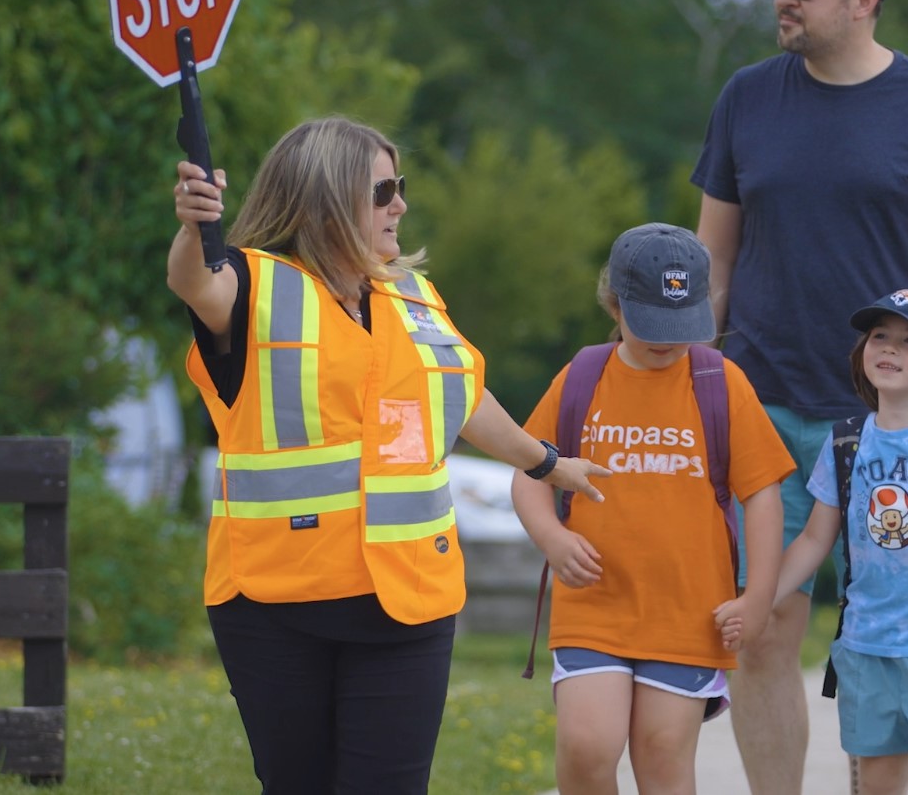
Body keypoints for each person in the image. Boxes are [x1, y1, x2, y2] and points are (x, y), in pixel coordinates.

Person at [166, 116, 611, 795]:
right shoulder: (251, 285)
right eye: (382, 190)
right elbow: (196, 283)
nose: (400, 203)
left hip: (409, 599)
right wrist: (197, 226)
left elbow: (463, 398)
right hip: (275, 603)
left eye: (399, 186)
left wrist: (546, 463)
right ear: (326, 198)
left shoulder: (414, 294)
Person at [689, 0, 908, 788]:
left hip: (886, 426)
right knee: (760, 630)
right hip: (761, 408)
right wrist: (691, 383)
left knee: (899, 639)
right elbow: (711, 260)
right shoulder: (746, 98)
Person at [510, 223, 794, 795]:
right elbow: (529, 471)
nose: (667, 342)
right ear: (614, 304)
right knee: (588, 747)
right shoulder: (583, 377)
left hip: (689, 615)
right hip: (595, 608)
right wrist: (552, 538)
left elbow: (762, 494)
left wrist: (758, 596)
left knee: (663, 756)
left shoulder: (721, 382)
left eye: (681, 326)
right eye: (651, 326)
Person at [717, 289, 908, 795]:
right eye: (879, 336)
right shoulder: (846, 442)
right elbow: (815, 539)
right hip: (866, 646)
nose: (889, 348)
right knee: (877, 780)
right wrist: (758, 599)